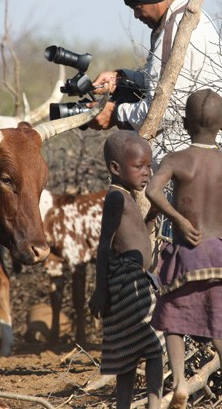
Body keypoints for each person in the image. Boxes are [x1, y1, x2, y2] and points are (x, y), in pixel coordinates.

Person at [145, 89, 222, 409]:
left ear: (183, 124)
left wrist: (178, 220)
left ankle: (180, 381)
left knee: (172, 321)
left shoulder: (177, 160)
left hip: (187, 256)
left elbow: (153, 191)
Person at [89, 0, 222, 161]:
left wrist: (116, 113)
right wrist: (122, 78)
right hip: (219, 154)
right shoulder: (190, 18)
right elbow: (167, 80)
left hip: (194, 161)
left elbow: (161, 111)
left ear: (154, 0)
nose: (136, 15)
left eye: (137, 6)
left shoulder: (175, 30)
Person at [89, 131, 164, 409]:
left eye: (149, 165)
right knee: (154, 346)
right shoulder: (115, 199)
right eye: (139, 166)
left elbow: (134, 237)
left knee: (128, 355)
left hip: (132, 278)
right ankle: (154, 405)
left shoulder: (126, 198)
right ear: (115, 169)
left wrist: (152, 217)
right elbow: (104, 246)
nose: (148, 172)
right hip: (128, 280)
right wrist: (100, 289)